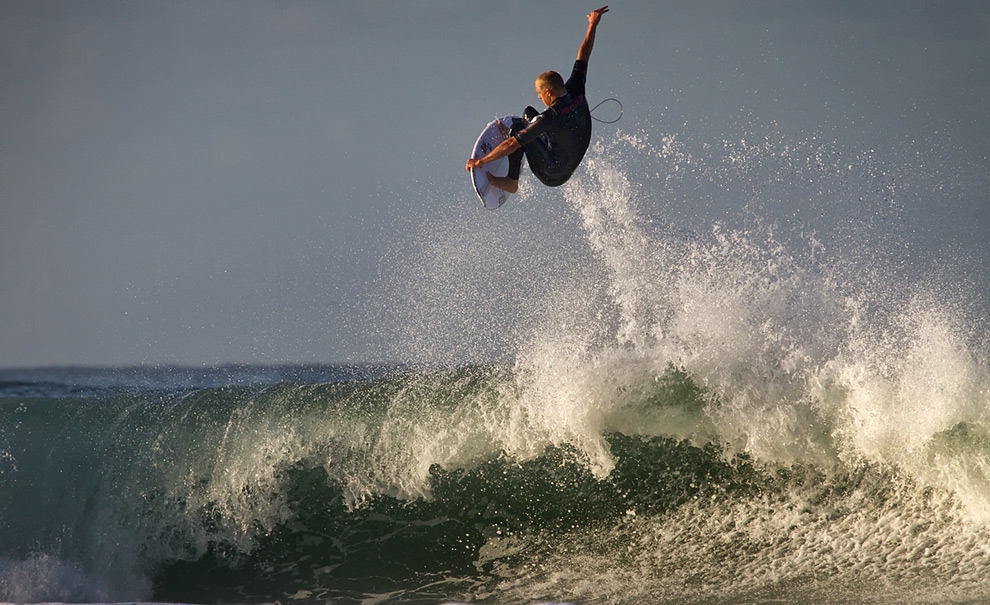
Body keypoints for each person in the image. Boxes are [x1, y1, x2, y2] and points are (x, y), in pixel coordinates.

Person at [466, 6, 609, 193]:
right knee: (528, 114)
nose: (539, 97)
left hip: (554, 173)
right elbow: (584, 54)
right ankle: (523, 144)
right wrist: (593, 24)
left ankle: (511, 182)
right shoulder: (575, 87)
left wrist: (480, 162)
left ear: (549, 92)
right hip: (570, 151)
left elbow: (511, 144)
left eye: (540, 94)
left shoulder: (550, 116)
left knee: (518, 129)